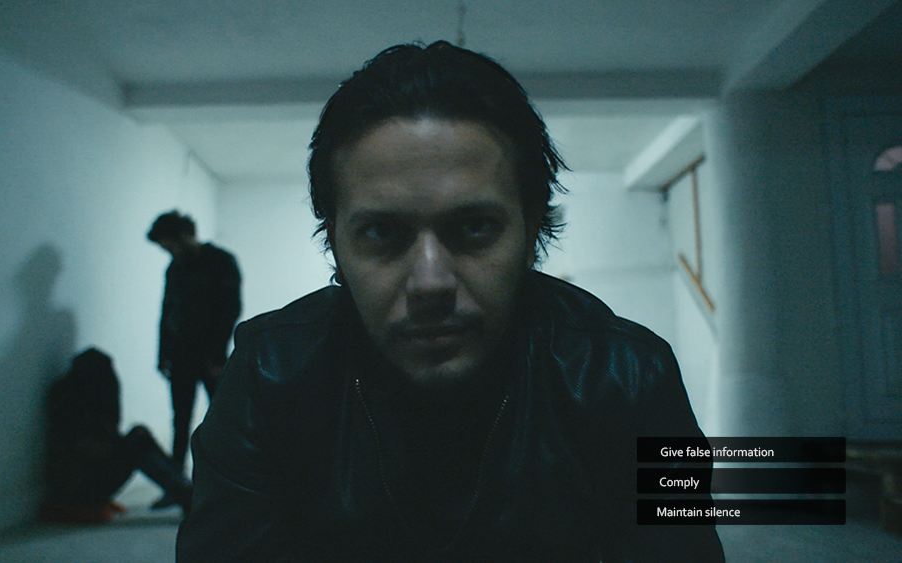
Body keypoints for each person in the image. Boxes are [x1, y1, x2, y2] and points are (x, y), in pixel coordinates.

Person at [176, 41, 725, 562]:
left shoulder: (629, 377)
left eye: (474, 227)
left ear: (532, 231)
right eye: (383, 233)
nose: (430, 283)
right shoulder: (268, 374)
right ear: (335, 243)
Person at [40, 348, 192, 522]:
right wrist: (121, 445)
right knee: (138, 442)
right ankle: (184, 492)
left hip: (82, 480)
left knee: (139, 438)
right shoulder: (70, 406)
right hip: (77, 488)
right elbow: (89, 450)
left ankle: (184, 490)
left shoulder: (76, 398)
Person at [147, 211, 241, 487]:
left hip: (210, 356)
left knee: (224, 421)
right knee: (180, 420)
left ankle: (230, 482)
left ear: (184, 235)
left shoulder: (221, 261)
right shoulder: (175, 268)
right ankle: (177, 485)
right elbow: (167, 311)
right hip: (181, 355)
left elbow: (230, 310)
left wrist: (216, 355)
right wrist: (163, 354)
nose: (169, 252)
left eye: (170, 245)